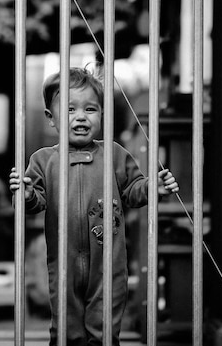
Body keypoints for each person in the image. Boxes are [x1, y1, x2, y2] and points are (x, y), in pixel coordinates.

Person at [9, 67, 178, 346]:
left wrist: (151, 188)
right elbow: (35, 202)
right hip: (62, 263)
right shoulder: (43, 160)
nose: (80, 117)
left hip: (108, 264)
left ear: (102, 115)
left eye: (90, 109)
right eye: (70, 109)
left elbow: (132, 192)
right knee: (66, 331)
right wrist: (25, 193)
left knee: (104, 331)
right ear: (51, 118)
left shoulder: (114, 154)